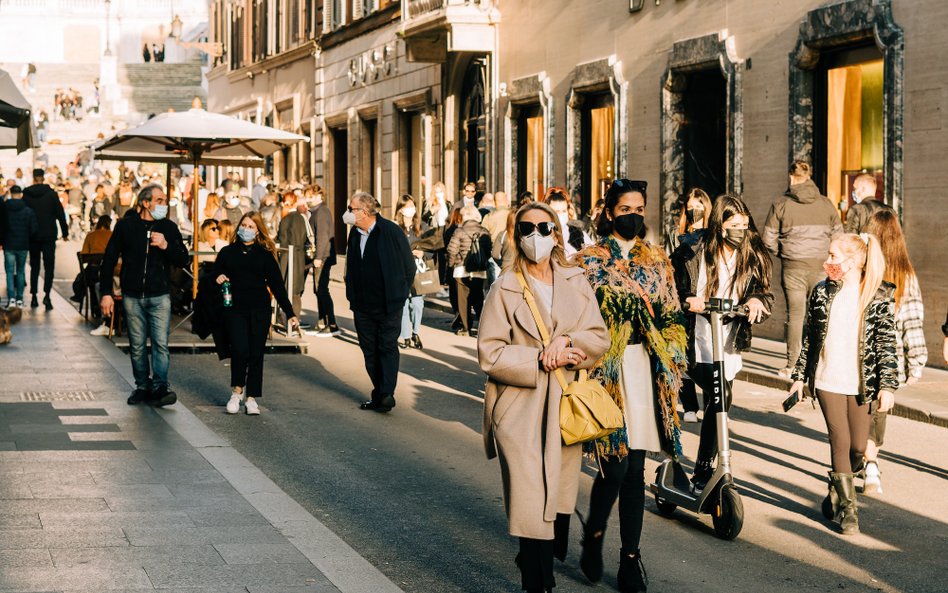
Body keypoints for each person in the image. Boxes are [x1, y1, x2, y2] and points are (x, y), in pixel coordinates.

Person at [478, 202, 609, 593]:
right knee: (532, 502)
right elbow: (490, 353)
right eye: (526, 228)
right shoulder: (504, 287)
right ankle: (539, 583)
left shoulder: (576, 281)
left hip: (565, 408)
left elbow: (598, 337)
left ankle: (538, 562)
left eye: (544, 227)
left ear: (557, 234)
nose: (535, 235)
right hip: (519, 407)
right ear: (516, 236)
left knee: (555, 501)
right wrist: (539, 357)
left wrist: (569, 342)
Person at [576, 178, 688, 592]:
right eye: (626, 209)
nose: (634, 215)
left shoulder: (657, 259)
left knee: (636, 469)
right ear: (609, 213)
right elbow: (575, 316)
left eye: (640, 208)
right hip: (606, 368)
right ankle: (595, 533)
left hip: (644, 366)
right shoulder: (588, 261)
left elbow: (672, 312)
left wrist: (672, 352)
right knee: (615, 463)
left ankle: (629, 560)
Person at [788, 233, 897, 535]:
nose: (828, 261)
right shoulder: (822, 292)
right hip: (828, 378)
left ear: (854, 260)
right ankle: (849, 511)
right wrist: (799, 377)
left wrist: (888, 385)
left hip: (863, 384)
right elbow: (809, 337)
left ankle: (837, 488)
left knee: (859, 447)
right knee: (840, 439)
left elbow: (887, 344)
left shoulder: (878, 295)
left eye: (834, 256)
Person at [671, 194, 774, 492]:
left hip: (726, 341)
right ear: (720, 224)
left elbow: (764, 293)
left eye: (744, 224)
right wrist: (688, 299)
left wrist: (755, 300)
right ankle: (702, 468)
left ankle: (704, 469)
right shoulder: (692, 251)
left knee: (719, 398)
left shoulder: (752, 253)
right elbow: (671, 288)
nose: (740, 230)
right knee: (721, 395)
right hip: (694, 340)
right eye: (734, 224)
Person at [100, 185, 190, 407]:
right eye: (159, 200)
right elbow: (109, 259)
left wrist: (165, 245)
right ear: (145, 203)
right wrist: (106, 293)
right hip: (132, 295)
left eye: (165, 200)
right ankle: (142, 386)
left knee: (160, 343)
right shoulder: (126, 226)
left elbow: (183, 259)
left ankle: (160, 386)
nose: (164, 204)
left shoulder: (169, 227)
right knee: (137, 344)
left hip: (159, 294)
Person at [861, 210, 927, 494]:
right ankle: (870, 462)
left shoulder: (861, 269)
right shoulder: (906, 274)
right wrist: (916, 362)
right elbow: (912, 321)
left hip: (857, 353)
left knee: (860, 407)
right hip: (889, 357)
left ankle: (863, 457)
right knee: (878, 410)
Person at [762, 161, 842, 377]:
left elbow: (768, 239)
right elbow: (839, 236)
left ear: (791, 177)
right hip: (821, 266)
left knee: (796, 315)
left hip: (793, 267)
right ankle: (823, 364)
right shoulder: (826, 204)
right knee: (823, 314)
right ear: (809, 177)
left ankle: (793, 365)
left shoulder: (781, 204)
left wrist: (784, 252)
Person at [215, 213, 299, 415]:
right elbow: (214, 272)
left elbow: (277, 286)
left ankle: (251, 398)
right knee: (239, 350)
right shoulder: (228, 252)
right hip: (235, 308)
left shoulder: (265, 255)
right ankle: (237, 391)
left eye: (251, 226)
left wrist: (290, 313)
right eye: (243, 225)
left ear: (258, 230)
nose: (246, 229)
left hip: (259, 309)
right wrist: (217, 276)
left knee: (255, 353)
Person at [344, 191, 415, 413]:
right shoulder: (355, 234)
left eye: (351, 209)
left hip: (389, 304)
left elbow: (409, 267)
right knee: (369, 350)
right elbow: (352, 265)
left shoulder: (391, 231)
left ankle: (385, 394)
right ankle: (380, 392)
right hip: (363, 305)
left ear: (364, 212)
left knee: (386, 346)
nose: (347, 213)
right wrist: (351, 293)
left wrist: (399, 294)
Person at [673, 187, 715, 422]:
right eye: (690, 208)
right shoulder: (677, 235)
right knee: (683, 353)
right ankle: (689, 405)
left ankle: (713, 402)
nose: (694, 212)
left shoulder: (712, 237)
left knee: (708, 352)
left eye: (699, 207)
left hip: (705, 297)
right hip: (684, 299)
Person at [23, 168, 68, 310]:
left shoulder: (27, 194)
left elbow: (24, 215)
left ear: (34, 177)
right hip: (48, 235)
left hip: (33, 235)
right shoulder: (51, 195)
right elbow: (60, 214)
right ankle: (47, 295)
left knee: (34, 266)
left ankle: (34, 296)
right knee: (49, 267)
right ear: (43, 177)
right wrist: (65, 232)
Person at [446, 205, 491, 336]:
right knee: (478, 298)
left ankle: (466, 328)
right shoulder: (484, 231)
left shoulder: (459, 231)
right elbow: (489, 250)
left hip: (461, 270)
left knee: (463, 299)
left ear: (464, 216)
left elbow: (451, 250)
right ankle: (484, 326)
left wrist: (451, 265)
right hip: (479, 270)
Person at [394, 195, 429, 349]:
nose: (410, 209)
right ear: (400, 209)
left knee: (417, 303)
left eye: (412, 206)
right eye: (407, 206)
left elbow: (432, 246)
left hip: (418, 271)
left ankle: (416, 332)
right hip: (400, 272)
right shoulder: (394, 227)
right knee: (403, 304)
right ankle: (406, 336)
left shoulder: (422, 226)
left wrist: (424, 252)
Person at [308, 187, 339, 337]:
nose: (309, 199)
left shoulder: (321, 212)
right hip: (322, 255)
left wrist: (318, 257)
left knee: (321, 289)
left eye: (311, 196)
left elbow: (322, 236)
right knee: (318, 289)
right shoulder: (317, 211)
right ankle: (322, 320)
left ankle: (332, 324)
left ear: (320, 197)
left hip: (323, 256)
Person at [1, 186, 37, 308]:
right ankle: (20, 299)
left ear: (10, 193)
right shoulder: (28, 210)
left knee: (10, 272)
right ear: (21, 194)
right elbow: (33, 229)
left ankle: (11, 298)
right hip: (23, 244)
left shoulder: (5, 208)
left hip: (9, 244)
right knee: (21, 271)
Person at [276, 197, 309, 324]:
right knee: (296, 292)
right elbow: (307, 237)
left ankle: (285, 319)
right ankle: (295, 320)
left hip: (285, 256)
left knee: (285, 288)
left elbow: (280, 238)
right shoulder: (302, 219)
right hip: (299, 257)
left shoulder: (285, 219)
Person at [82, 216, 114, 336]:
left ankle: (95, 309)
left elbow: (84, 254)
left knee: (89, 281)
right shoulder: (112, 235)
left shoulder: (91, 235)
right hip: (109, 270)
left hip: (93, 270)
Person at [546, 188, 593, 258]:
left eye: (564, 211)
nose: (560, 215)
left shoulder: (578, 234)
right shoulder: (542, 233)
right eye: (556, 212)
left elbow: (593, 256)